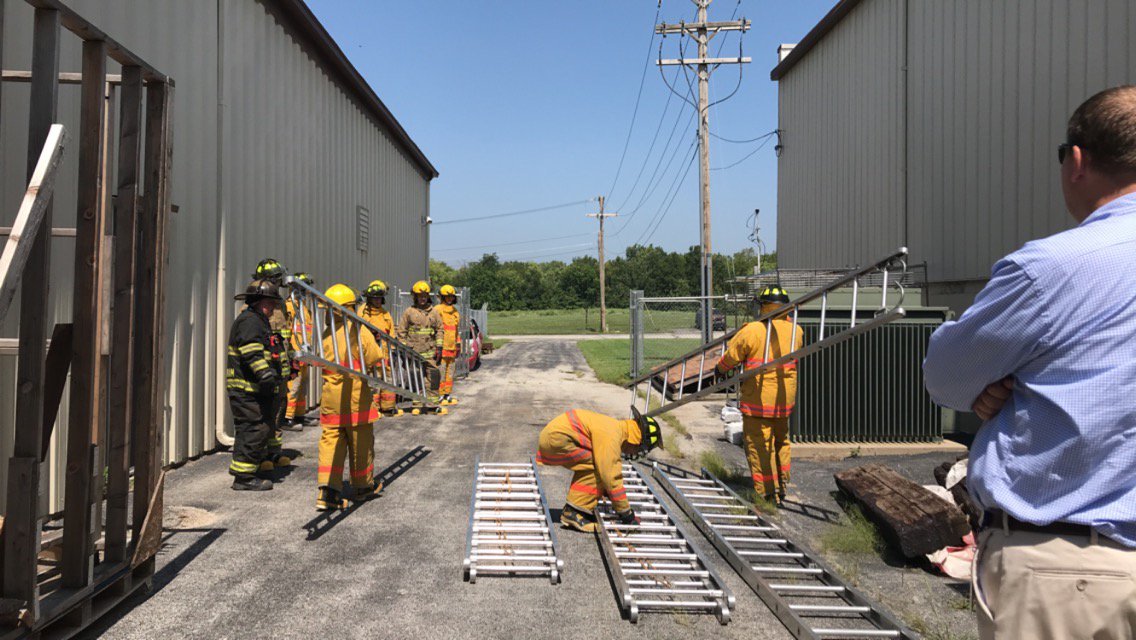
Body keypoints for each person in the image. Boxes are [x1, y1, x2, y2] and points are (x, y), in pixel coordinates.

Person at [923, 86, 1136, 639]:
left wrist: (996, 386)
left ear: (1078, 161)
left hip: (1069, 572)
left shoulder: (1051, 270)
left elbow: (946, 377)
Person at [714, 286, 803, 505]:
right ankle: (782, 486)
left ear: (764, 306)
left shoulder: (753, 330)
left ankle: (766, 494)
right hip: (783, 401)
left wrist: (720, 370)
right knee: (781, 442)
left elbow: (732, 356)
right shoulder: (796, 331)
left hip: (759, 401)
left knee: (759, 445)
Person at [536, 407, 662, 533]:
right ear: (635, 441)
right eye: (639, 449)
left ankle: (576, 508)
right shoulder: (612, 436)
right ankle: (573, 512)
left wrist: (606, 490)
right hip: (557, 440)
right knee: (601, 467)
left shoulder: (615, 428)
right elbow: (611, 476)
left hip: (554, 437)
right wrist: (626, 513)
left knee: (600, 465)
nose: (636, 452)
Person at [316, 284, 384, 511]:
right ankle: (363, 487)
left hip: (331, 399)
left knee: (331, 444)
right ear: (348, 308)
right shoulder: (358, 330)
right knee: (360, 443)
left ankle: (328, 493)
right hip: (355, 398)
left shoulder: (326, 333)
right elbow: (374, 357)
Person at [226, 280, 285, 491]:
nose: (273, 308)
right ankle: (243, 478)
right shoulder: (250, 321)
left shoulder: (258, 320)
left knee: (260, 427)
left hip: (254, 389)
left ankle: (251, 468)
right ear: (258, 302)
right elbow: (251, 351)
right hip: (245, 389)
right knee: (253, 429)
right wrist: (265, 373)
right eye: (269, 303)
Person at [251, 258, 294, 469]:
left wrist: (291, 361)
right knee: (263, 412)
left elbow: (285, 336)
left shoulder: (282, 304)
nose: (279, 285)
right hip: (265, 370)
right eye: (276, 281)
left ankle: (274, 452)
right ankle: (260, 456)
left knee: (278, 410)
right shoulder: (254, 306)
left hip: (281, 367)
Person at [396, 280, 445, 414]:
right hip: (414, 353)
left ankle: (432, 405)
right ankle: (416, 404)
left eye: (424, 296)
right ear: (415, 297)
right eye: (419, 296)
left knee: (434, 377)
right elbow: (401, 332)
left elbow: (440, 330)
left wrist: (439, 347)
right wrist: (405, 349)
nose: (422, 298)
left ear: (428, 296)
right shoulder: (409, 312)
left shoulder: (434, 312)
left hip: (430, 352)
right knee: (415, 377)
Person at [360, 280, 402, 416]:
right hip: (369, 354)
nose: (377, 301)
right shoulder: (363, 312)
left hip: (385, 354)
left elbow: (391, 334)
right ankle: (373, 409)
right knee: (372, 381)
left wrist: (393, 351)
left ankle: (388, 407)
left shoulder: (385, 313)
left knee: (387, 379)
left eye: (379, 298)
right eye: (374, 298)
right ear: (369, 298)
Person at [283, 272, 316, 429]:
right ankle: (288, 418)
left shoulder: (305, 309)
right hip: (294, 355)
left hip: (304, 355)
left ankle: (300, 415)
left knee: (302, 389)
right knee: (293, 388)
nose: (304, 293)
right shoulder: (289, 307)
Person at [434, 284, 461, 406]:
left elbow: (456, 330)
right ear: (442, 297)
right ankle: (439, 395)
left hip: (452, 347)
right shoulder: (437, 309)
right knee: (441, 372)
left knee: (450, 372)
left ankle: (447, 394)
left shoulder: (455, 311)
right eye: (447, 297)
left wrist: (458, 343)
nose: (450, 299)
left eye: (451, 297)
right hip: (442, 347)